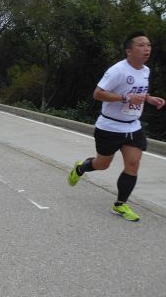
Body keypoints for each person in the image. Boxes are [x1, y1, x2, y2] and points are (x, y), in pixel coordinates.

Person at [68, 31, 165, 221]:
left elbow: (138, 92)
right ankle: (81, 168)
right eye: (141, 45)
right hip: (109, 126)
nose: (147, 49)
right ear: (129, 51)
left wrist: (149, 98)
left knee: (133, 164)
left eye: (149, 45)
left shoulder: (145, 71)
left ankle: (120, 204)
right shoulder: (117, 70)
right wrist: (126, 98)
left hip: (132, 126)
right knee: (102, 164)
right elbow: (98, 93)